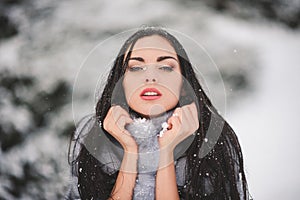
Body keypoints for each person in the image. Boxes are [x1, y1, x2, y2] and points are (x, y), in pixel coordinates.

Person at [66, 27, 250, 200]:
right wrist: (130, 153)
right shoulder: (91, 134)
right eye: (136, 68)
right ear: (120, 84)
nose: (151, 77)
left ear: (184, 85)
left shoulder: (214, 137)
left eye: (165, 67)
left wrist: (166, 152)